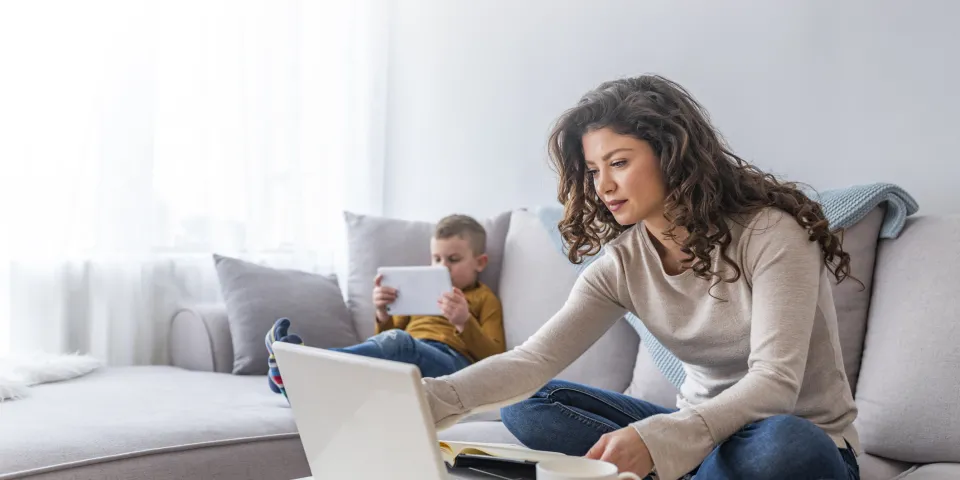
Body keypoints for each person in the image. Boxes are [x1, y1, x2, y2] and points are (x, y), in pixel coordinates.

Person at [421, 76, 861, 480]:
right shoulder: (621, 265)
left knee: (788, 445)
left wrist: (661, 440)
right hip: (699, 445)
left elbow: (775, 382)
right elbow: (531, 362)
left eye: (619, 162)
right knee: (529, 404)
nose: (603, 186)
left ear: (672, 156)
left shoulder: (771, 234)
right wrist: (426, 399)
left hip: (795, 441)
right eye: (594, 170)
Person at [266, 214, 505, 399]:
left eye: (453, 260)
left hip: (453, 363)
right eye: (437, 258)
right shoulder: (423, 288)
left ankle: (299, 364)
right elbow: (383, 344)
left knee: (399, 342)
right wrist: (382, 313)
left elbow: (496, 358)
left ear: (480, 262)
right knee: (389, 350)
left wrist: (464, 322)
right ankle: (291, 380)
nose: (442, 267)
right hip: (409, 354)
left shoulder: (484, 298)